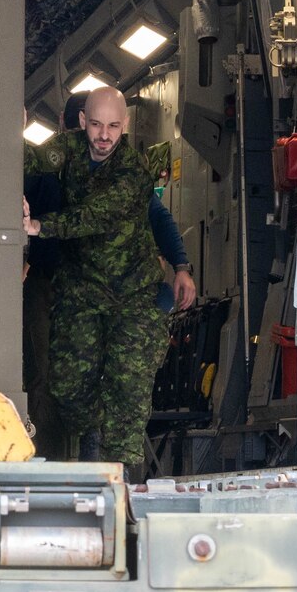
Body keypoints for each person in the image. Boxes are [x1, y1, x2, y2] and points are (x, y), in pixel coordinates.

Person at [23, 86, 173, 468]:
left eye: (112, 126)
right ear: (81, 122)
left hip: (132, 296)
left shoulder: (133, 173)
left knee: (129, 386)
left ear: (124, 126)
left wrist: (39, 225)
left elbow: (96, 214)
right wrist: (14, 137)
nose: (103, 136)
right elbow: (30, 161)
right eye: (95, 125)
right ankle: (92, 436)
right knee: (67, 385)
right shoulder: (67, 150)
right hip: (81, 291)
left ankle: (119, 479)